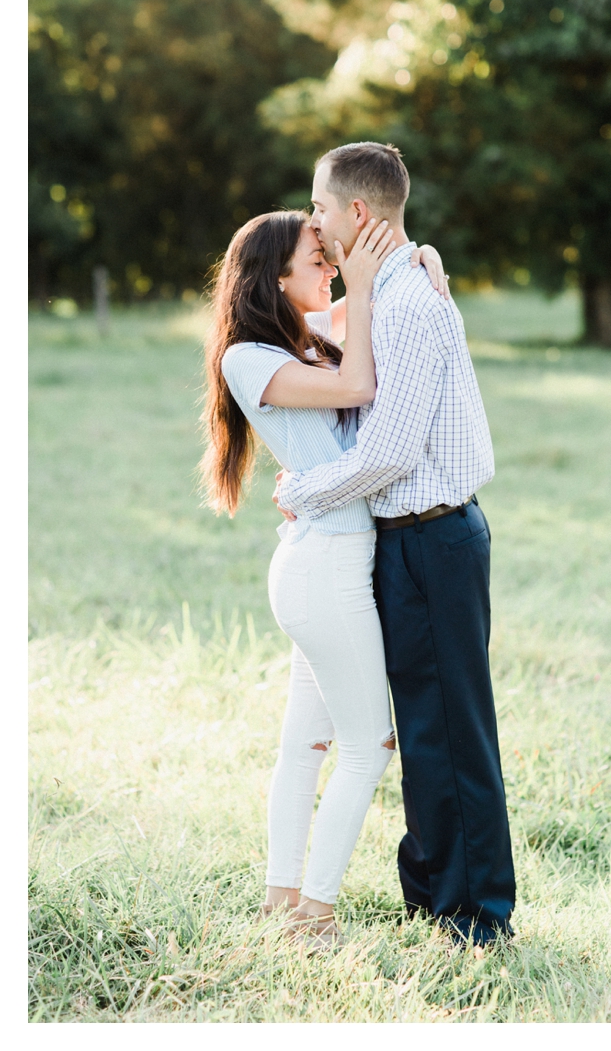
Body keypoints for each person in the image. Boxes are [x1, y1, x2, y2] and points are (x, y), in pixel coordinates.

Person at [274, 142, 515, 947]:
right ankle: (435, 895)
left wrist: (300, 493)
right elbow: (276, 319)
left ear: (360, 215)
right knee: (422, 724)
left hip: (435, 536)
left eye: (320, 204)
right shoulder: (385, 295)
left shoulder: (411, 306)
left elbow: (389, 452)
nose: (313, 217)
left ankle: (479, 913)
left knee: (454, 727)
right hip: (400, 541)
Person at [200, 210, 450, 945]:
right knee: (369, 745)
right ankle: (315, 911)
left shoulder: (296, 337)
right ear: (276, 278)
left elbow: (377, 300)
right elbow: (360, 381)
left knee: (305, 746)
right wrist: (368, 291)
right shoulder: (249, 357)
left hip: (326, 561)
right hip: (325, 569)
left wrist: (422, 254)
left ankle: (284, 898)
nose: (334, 269)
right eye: (319, 260)